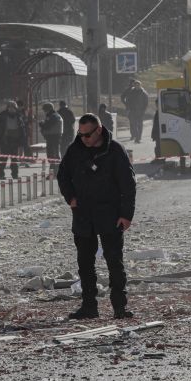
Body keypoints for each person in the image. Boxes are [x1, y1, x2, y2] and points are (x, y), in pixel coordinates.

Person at [57, 113, 136, 320]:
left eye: (88, 135)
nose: (84, 139)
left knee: (114, 263)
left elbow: (128, 185)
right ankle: (89, 306)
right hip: (83, 215)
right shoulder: (75, 150)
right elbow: (62, 175)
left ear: (99, 131)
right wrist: (70, 198)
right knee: (85, 264)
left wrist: (126, 215)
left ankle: (119, 307)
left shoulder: (115, 151)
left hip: (109, 215)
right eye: (80, 134)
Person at [0, 100, 27, 179]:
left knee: (14, 158)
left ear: (15, 108)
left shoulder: (19, 116)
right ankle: (1, 175)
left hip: (15, 140)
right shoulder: (3, 115)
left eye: (13, 107)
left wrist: (23, 139)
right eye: (10, 107)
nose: (12, 109)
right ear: (8, 108)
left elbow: (22, 128)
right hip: (5, 140)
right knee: (3, 158)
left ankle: (15, 174)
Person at [38, 102, 63, 174]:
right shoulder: (53, 116)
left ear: (48, 109)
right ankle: (54, 172)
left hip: (53, 138)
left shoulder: (54, 116)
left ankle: (56, 172)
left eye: (45, 110)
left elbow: (47, 126)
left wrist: (42, 124)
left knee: (53, 155)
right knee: (52, 155)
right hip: (53, 137)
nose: (44, 112)